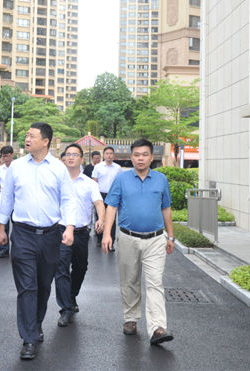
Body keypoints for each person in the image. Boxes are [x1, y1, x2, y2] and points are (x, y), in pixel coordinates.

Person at [0, 122, 75, 360]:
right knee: (27, 287)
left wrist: (69, 227)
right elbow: (7, 198)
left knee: (43, 285)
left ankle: (36, 323)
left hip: (51, 235)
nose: (27, 139)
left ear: (45, 141)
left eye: (32, 136)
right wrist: (0, 226)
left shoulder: (59, 169)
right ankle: (28, 337)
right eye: (26, 135)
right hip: (23, 234)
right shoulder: (17, 167)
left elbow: (68, 200)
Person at [101, 139, 175, 346]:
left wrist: (170, 236)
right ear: (131, 157)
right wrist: (107, 234)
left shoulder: (161, 179)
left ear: (151, 157)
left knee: (155, 282)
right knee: (130, 281)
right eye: (136, 155)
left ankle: (157, 327)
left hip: (156, 239)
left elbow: (166, 208)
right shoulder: (121, 179)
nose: (140, 158)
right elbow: (111, 207)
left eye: (144, 154)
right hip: (127, 237)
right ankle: (131, 318)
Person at [54, 144, 104, 327]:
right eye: (68, 154)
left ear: (82, 159)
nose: (71, 157)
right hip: (60, 231)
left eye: (75, 154)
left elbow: (99, 203)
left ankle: (71, 295)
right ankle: (65, 308)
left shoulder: (90, 183)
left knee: (80, 267)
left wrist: (101, 219)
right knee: (61, 269)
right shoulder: (57, 182)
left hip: (81, 233)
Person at [93, 146, 121, 247]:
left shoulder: (118, 168)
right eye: (107, 153)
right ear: (104, 155)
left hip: (113, 195)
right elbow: (94, 181)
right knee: (100, 217)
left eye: (111, 153)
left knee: (112, 219)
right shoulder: (98, 167)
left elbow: (119, 182)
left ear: (113, 155)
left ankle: (111, 242)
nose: (109, 155)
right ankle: (99, 239)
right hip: (100, 195)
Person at [0, 145, 14, 258]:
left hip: (16, 202)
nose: (5, 158)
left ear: (12, 155)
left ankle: (17, 249)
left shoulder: (17, 168)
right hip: (3, 201)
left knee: (17, 227)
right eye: (3, 156)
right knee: (2, 225)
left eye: (7, 156)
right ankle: (4, 249)